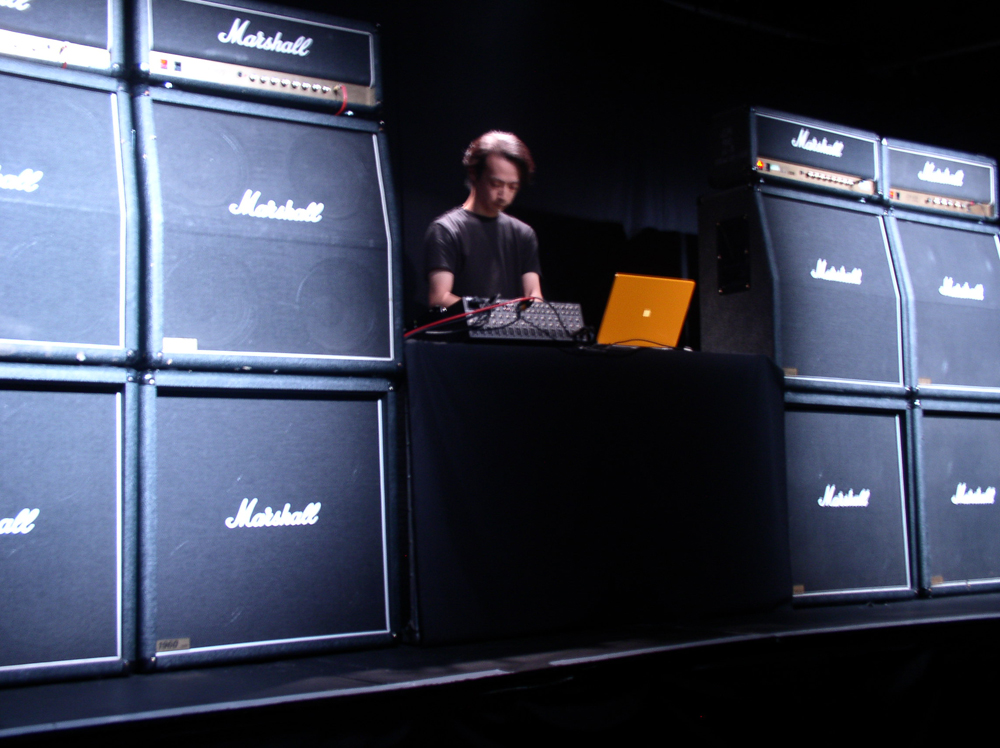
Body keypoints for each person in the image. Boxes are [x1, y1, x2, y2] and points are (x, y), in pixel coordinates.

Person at [424, 131, 542, 308]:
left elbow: (534, 294)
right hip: (463, 333)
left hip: (509, 332)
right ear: (474, 173)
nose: (504, 195)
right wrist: (493, 315)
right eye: (496, 184)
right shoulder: (446, 230)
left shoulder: (524, 234)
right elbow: (439, 298)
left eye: (513, 187)